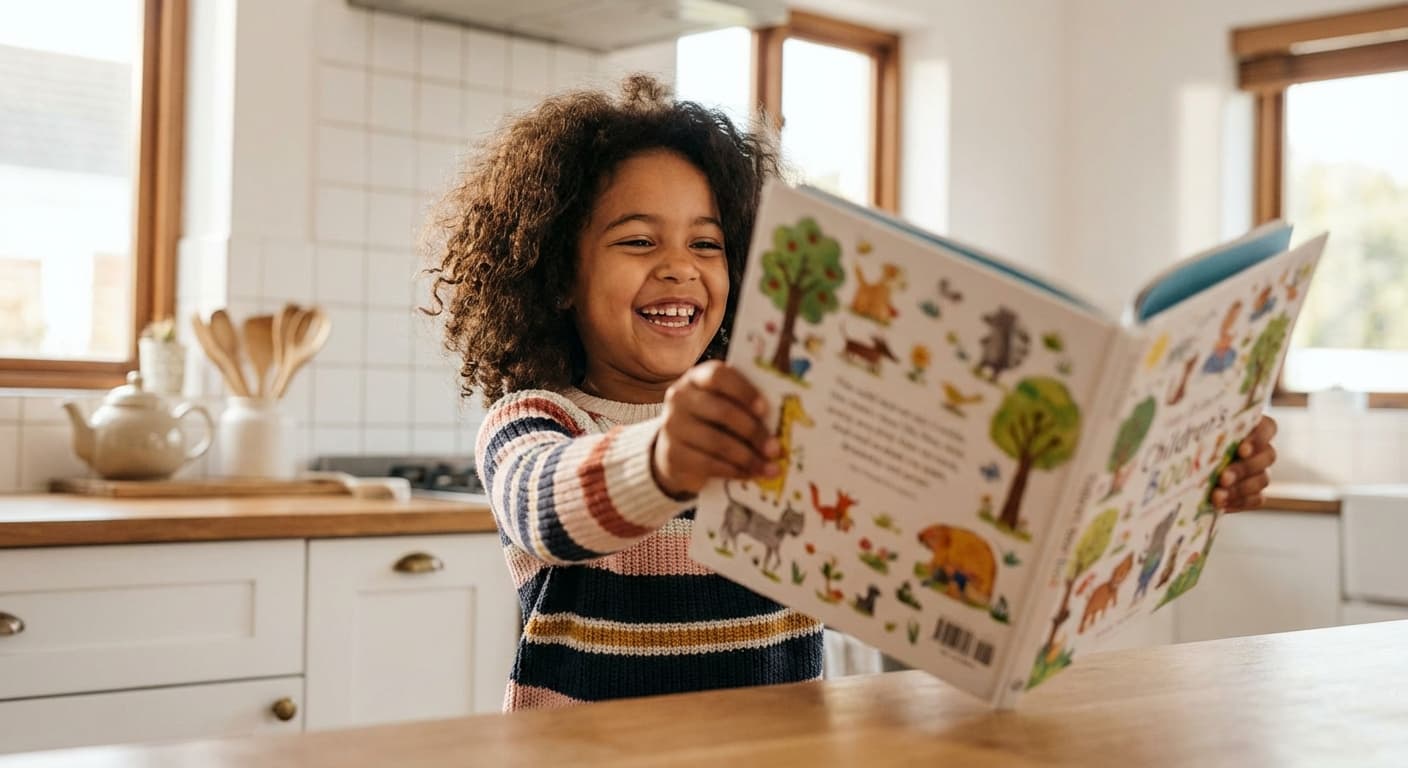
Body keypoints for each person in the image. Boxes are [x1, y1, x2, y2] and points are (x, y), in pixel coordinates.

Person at [423, 75, 1279, 711]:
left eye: (710, 243)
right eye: (637, 239)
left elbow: (917, 559)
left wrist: (1183, 481)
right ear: (559, 277)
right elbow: (547, 507)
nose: (679, 266)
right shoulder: (537, 419)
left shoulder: (789, 408)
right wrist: (667, 457)